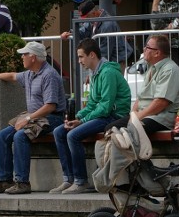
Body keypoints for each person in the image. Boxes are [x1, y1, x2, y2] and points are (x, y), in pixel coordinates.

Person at [0, 41, 67, 195]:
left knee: (20, 136)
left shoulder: (49, 75)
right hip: (34, 116)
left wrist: (27, 119)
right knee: (2, 136)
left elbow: (50, 106)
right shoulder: (30, 74)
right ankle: (5, 180)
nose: (22, 57)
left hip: (51, 118)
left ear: (33, 57)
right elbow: (12, 75)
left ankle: (22, 182)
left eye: (24, 54)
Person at [54, 38, 131, 194]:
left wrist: (82, 121)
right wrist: (77, 117)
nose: (79, 61)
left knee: (72, 136)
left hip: (114, 116)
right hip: (104, 115)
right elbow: (92, 103)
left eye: (81, 56)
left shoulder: (107, 73)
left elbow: (105, 107)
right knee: (59, 132)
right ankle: (68, 179)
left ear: (92, 55)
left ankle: (80, 181)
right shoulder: (96, 73)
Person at [128, 33, 179, 136]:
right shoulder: (152, 67)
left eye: (148, 47)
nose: (144, 49)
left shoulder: (170, 70)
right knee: (111, 128)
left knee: (131, 131)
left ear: (157, 53)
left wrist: (138, 116)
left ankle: (133, 152)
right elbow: (141, 97)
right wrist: (132, 114)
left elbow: (161, 103)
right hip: (146, 115)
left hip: (160, 117)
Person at [62, 0, 132, 67]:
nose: (85, 21)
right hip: (107, 61)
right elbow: (83, 32)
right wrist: (70, 34)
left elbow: (105, 51)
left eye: (86, 18)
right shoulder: (92, 20)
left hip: (115, 62)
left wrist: (95, 68)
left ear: (94, 13)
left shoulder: (108, 25)